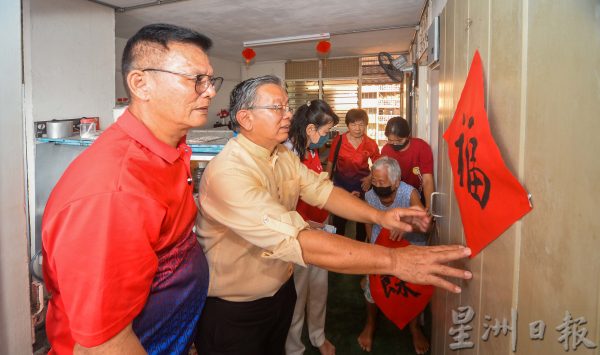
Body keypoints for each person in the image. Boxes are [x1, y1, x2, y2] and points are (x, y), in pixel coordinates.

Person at [194, 75, 472, 355]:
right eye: (277, 108)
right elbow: (297, 240)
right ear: (246, 118)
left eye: (287, 106)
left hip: (279, 291)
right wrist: (393, 260)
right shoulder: (230, 172)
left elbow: (321, 190)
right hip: (237, 309)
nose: (289, 114)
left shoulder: (281, 155)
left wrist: (379, 217)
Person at [42, 23, 223, 354]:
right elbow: (102, 344)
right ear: (141, 84)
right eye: (195, 79)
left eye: (210, 80)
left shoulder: (169, 150)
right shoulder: (116, 190)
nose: (209, 91)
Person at [358, 157, 430, 354]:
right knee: (373, 284)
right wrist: (371, 242)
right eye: (374, 181)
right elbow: (367, 220)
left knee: (414, 286)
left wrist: (406, 227)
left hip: (410, 245)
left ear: (396, 182)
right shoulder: (371, 195)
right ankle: (370, 324)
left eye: (382, 182)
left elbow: (425, 223)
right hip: (381, 245)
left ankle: (414, 327)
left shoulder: (409, 193)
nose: (377, 186)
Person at [283, 100, 339, 355]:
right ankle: (294, 346)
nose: (326, 137)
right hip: (299, 233)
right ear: (310, 129)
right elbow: (282, 202)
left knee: (319, 289)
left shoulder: (311, 150)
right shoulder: (288, 153)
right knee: (297, 294)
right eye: (325, 131)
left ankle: (318, 336)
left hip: (320, 227)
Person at [325, 108, 381, 241]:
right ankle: (338, 250)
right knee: (339, 221)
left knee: (362, 222)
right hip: (341, 187)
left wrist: (369, 178)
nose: (357, 128)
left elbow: (378, 165)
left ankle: (360, 252)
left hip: (362, 187)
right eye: (353, 124)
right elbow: (331, 163)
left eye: (361, 124)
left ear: (366, 126)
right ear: (348, 125)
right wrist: (326, 182)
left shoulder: (371, 143)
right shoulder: (338, 141)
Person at [381, 116, 435, 210]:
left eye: (399, 141)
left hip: (418, 194)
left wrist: (429, 207)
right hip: (395, 196)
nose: (395, 144)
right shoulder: (386, 150)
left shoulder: (421, 147)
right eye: (390, 140)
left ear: (408, 135)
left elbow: (427, 180)